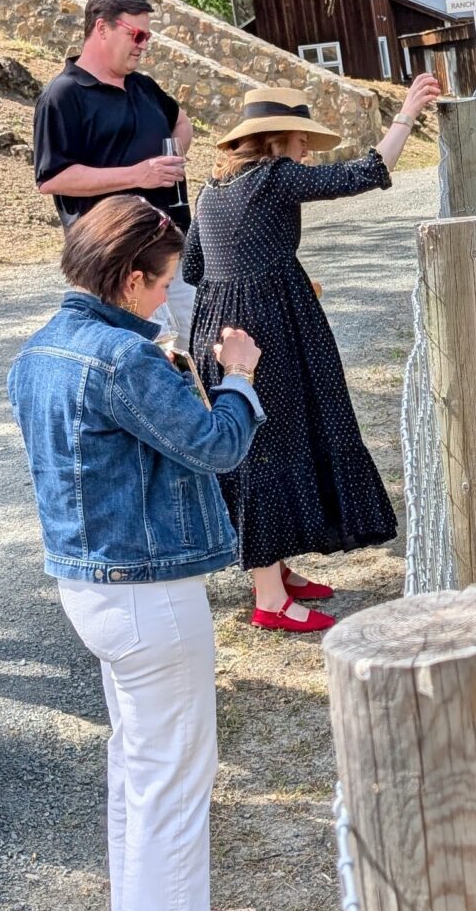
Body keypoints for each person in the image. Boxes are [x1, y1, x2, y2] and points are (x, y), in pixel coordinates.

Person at [8, 196, 284, 911]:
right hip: (149, 588)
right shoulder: (122, 360)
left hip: (89, 582)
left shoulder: (40, 352)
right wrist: (237, 378)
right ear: (131, 279)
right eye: (163, 283)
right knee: (173, 765)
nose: (169, 297)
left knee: (137, 754)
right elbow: (217, 446)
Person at [182, 73, 441, 631]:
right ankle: (269, 598)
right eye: (300, 138)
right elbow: (365, 173)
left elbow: (192, 269)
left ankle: (275, 567)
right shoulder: (275, 177)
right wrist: (407, 113)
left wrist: (258, 269)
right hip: (269, 327)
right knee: (272, 445)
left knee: (262, 437)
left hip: (217, 323)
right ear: (277, 139)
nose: (306, 147)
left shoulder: (211, 190)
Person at [33, 0, 194, 230]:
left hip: (170, 241)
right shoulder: (63, 94)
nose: (143, 45)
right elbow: (52, 178)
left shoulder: (144, 86)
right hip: (112, 253)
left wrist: (168, 162)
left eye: (147, 37)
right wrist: (138, 175)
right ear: (102, 28)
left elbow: (182, 122)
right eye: (136, 35)